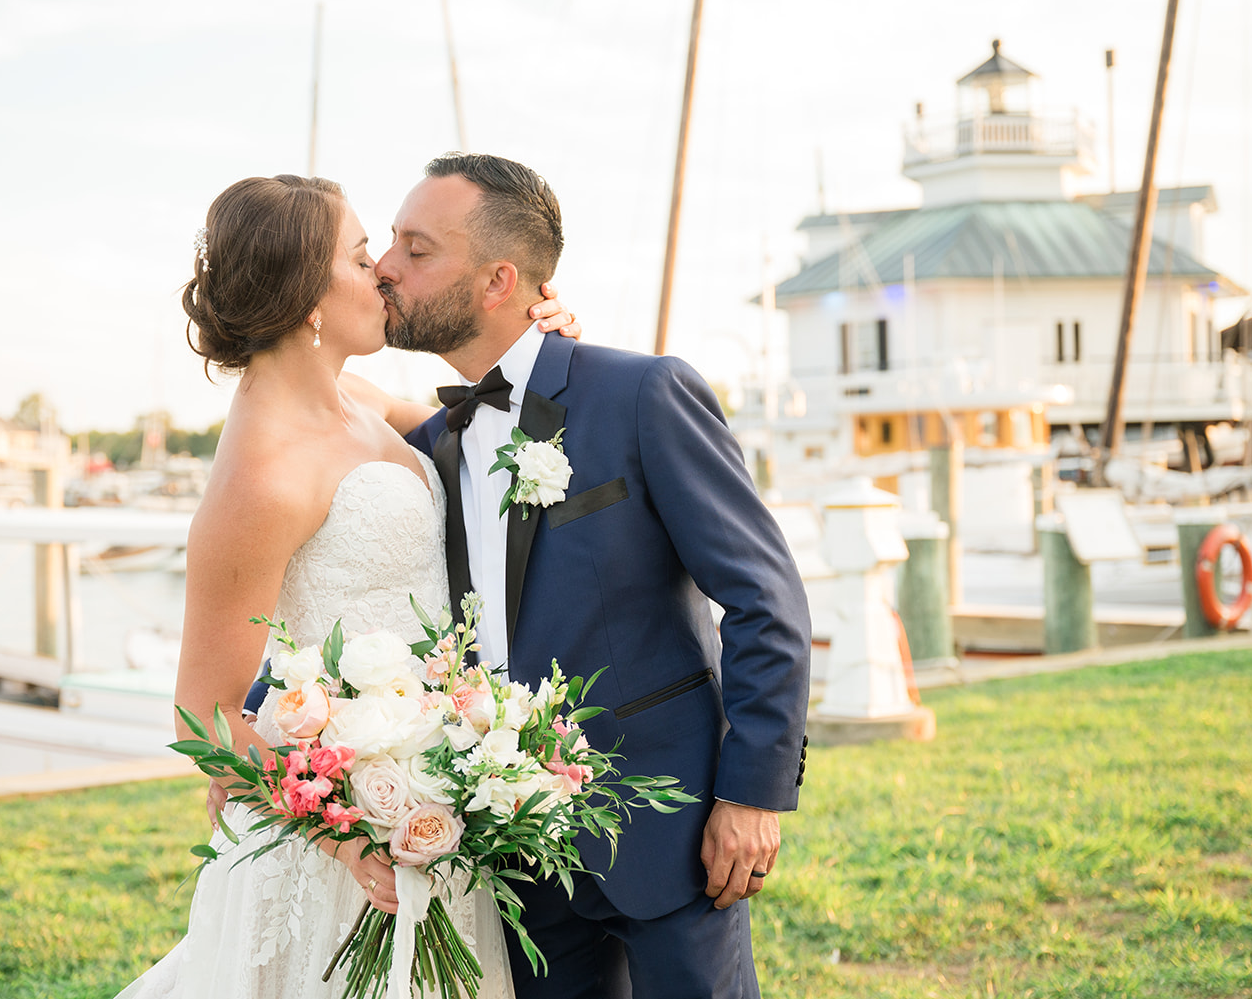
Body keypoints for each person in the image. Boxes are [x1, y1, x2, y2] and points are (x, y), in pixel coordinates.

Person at [116, 173, 580, 999]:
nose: (386, 273)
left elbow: (479, 418)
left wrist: (537, 342)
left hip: (433, 799)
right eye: (364, 256)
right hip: (341, 848)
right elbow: (205, 710)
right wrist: (348, 839)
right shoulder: (262, 472)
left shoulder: (356, 397)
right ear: (307, 295)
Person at [375, 153, 813, 999]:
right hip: (514, 857)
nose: (387, 266)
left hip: (671, 833)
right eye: (388, 242)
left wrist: (753, 795)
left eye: (416, 247)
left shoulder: (643, 393)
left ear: (499, 278)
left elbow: (765, 597)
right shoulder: (436, 444)